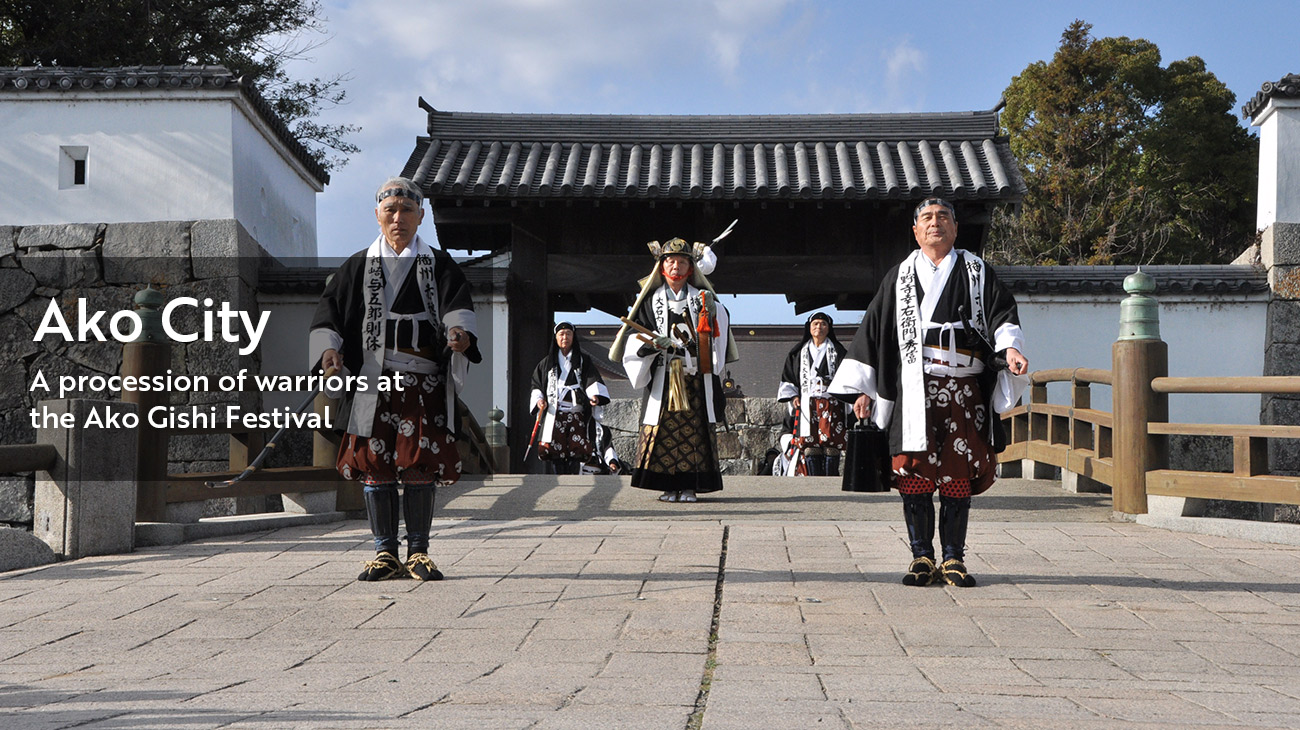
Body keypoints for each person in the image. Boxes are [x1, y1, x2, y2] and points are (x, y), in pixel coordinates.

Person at [829, 198, 1028, 588]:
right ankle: (921, 555)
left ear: (955, 228)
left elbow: (1003, 313)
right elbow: (874, 333)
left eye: (943, 218)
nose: (935, 224)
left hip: (963, 388)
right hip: (914, 389)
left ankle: (954, 558)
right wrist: (865, 389)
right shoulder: (899, 277)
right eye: (927, 218)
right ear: (916, 231)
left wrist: (1012, 348)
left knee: (957, 474)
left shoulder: (976, 271)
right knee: (914, 472)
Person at [309, 176, 480, 582]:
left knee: (420, 465)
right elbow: (328, 313)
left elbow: (458, 306)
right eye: (390, 210)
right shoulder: (356, 266)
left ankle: (418, 552)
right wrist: (328, 350)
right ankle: (384, 552)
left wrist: (459, 334)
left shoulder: (440, 264)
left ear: (421, 216)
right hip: (374, 380)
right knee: (376, 465)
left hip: (423, 381)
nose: (398, 218)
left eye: (406, 210)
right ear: (377, 215)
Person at [609, 235, 738, 503]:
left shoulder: (701, 298)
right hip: (664, 376)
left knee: (694, 433)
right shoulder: (650, 301)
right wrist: (653, 343)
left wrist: (715, 312)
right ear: (662, 267)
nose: (676, 266)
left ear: (691, 269)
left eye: (681, 261)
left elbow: (718, 330)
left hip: (693, 376)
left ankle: (691, 486)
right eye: (670, 261)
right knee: (665, 432)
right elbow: (635, 336)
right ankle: (667, 485)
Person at [529, 322, 609, 474]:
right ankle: (558, 475)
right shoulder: (546, 363)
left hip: (576, 411)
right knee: (555, 449)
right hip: (555, 411)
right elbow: (536, 384)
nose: (565, 337)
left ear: (573, 337)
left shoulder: (583, 360)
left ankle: (573, 476)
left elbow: (592, 379)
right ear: (556, 338)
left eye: (568, 334)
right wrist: (539, 399)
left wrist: (595, 396)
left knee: (576, 448)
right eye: (561, 334)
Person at [777, 312, 850, 476]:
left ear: (829, 328)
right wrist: (794, 396)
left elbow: (848, 376)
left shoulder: (838, 352)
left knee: (831, 441)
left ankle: (830, 477)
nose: (819, 327)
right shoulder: (797, 353)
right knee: (809, 442)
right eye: (815, 324)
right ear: (809, 328)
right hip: (807, 404)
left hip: (831, 403)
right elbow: (789, 377)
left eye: (823, 324)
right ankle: (813, 478)